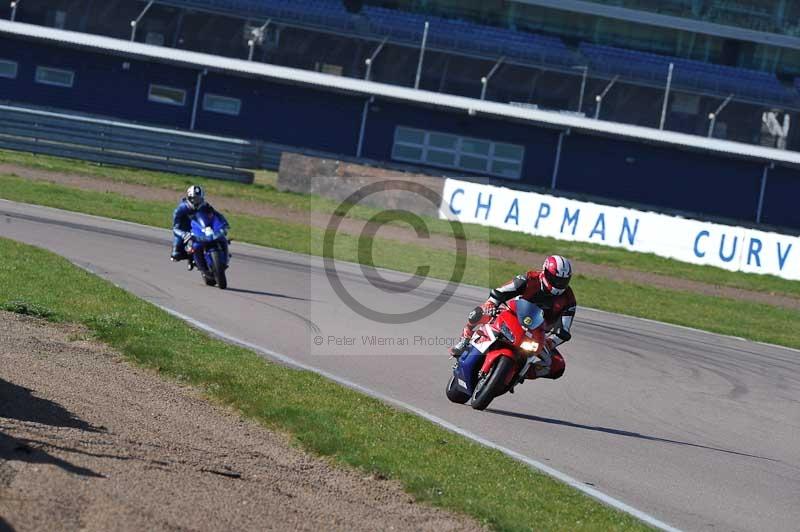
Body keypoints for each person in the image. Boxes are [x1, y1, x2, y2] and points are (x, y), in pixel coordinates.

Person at [449, 255, 576, 381]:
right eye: (555, 278)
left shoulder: (569, 300)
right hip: (513, 316)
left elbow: (564, 329)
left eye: (563, 281)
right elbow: (501, 291)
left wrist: (550, 342)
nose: (559, 284)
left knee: (558, 366)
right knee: (480, 312)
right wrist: (491, 303)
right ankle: (465, 339)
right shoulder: (529, 278)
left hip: (538, 334)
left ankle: (521, 374)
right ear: (545, 271)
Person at [170, 185, 229, 264]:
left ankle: (226, 257)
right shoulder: (181, 208)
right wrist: (183, 234)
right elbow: (175, 228)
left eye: (198, 199)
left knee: (222, 237)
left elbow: (216, 215)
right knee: (175, 255)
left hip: (202, 228)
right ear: (189, 198)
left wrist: (223, 224)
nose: (196, 201)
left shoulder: (205, 206)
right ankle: (190, 257)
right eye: (193, 199)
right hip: (186, 230)